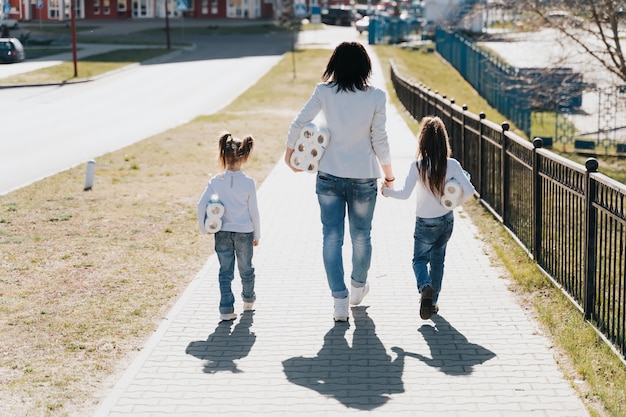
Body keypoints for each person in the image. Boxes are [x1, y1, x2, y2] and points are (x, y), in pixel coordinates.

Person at [285, 41, 395, 322]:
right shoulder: (376, 97)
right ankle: (358, 287)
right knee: (362, 236)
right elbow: (379, 139)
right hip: (363, 178)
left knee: (331, 238)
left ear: (335, 64)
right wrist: (389, 175)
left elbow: (299, 122)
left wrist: (290, 155)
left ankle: (339, 301)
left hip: (329, 176)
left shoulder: (324, 92)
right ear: (365, 67)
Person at [382, 116, 475, 320]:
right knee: (438, 261)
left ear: (422, 141)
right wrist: (452, 203)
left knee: (419, 260)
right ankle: (432, 304)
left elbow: (404, 194)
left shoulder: (418, 166)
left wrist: (386, 192)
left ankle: (425, 287)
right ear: (444, 141)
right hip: (446, 220)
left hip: (424, 223)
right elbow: (470, 191)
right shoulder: (452, 165)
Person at [197, 132, 260, 322]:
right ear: (245, 156)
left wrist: (204, 227)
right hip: (244, 232)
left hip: (222, 232)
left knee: (225, 271)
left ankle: (226, 309)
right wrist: (257, 234)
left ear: (222, 155)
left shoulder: (216, 181)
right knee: (246, 268)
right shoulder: (248, 182)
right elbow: (254, 211)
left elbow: (201, 205)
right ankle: (248, 300)